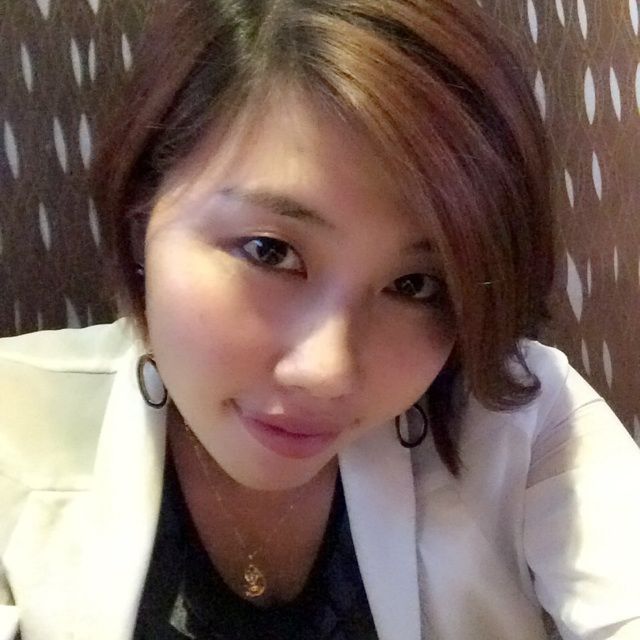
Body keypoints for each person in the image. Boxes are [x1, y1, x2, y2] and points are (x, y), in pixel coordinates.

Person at [1, 0, 639, 638]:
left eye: (415, 285)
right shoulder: (16, 425)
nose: (327, 372)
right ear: (142, 215)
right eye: (268, 251)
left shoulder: (525, 426)